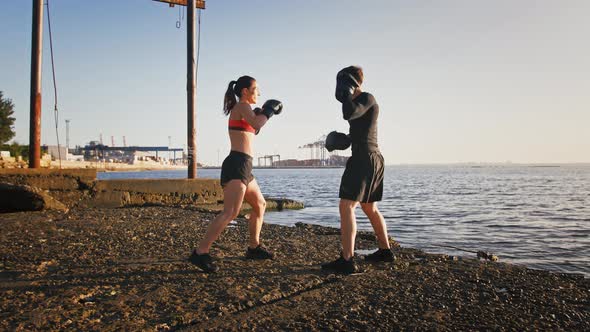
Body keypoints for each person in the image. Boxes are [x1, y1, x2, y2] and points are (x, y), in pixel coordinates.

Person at [189, 75, 283, 273]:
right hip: (237, 164)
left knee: (260, 205)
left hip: (245, 166)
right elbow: (257, 124)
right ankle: (200, 252)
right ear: (245, 92)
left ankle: (253, 248)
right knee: (231, 212)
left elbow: (253, 128)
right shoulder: (242, 106)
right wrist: (268, 111)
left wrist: (260, 113)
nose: (258, 92)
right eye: (255, 89)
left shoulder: (245, 110)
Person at [321, 66, 394, 274]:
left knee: (346, 206)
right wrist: (342, 141)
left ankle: (347, 259)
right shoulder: (360, 101)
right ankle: (385, 251)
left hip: (365, 159)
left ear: (351, 82)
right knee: (369, 208)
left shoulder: (367, 98)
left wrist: (347, 96)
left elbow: (350, 113)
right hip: (371, 157)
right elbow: (358, 125)